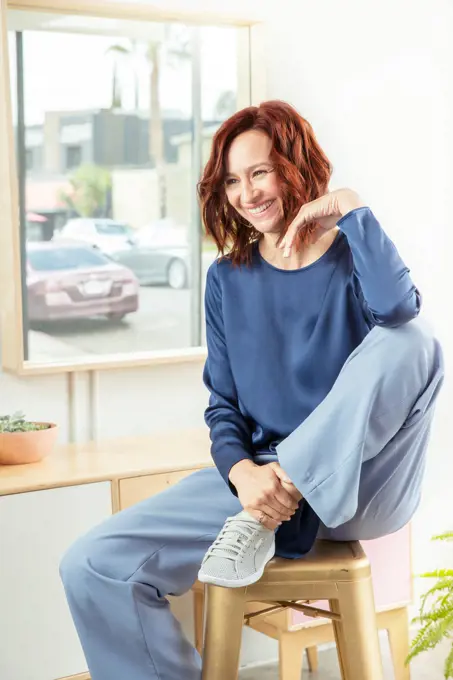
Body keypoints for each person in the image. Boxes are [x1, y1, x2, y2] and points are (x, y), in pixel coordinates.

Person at [59, 100, 444, 680]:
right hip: (256, 491)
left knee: (413, 337)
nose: (246, 193)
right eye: (232, 181)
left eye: (259, 171)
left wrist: (350, 207)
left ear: (295, 166)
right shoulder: (226, 279)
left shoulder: (354, 259)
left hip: (360, 490)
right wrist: (243, 475)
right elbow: (224, 406)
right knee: (91, 563)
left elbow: (398, 310)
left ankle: (287, 488)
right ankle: (272, 500)